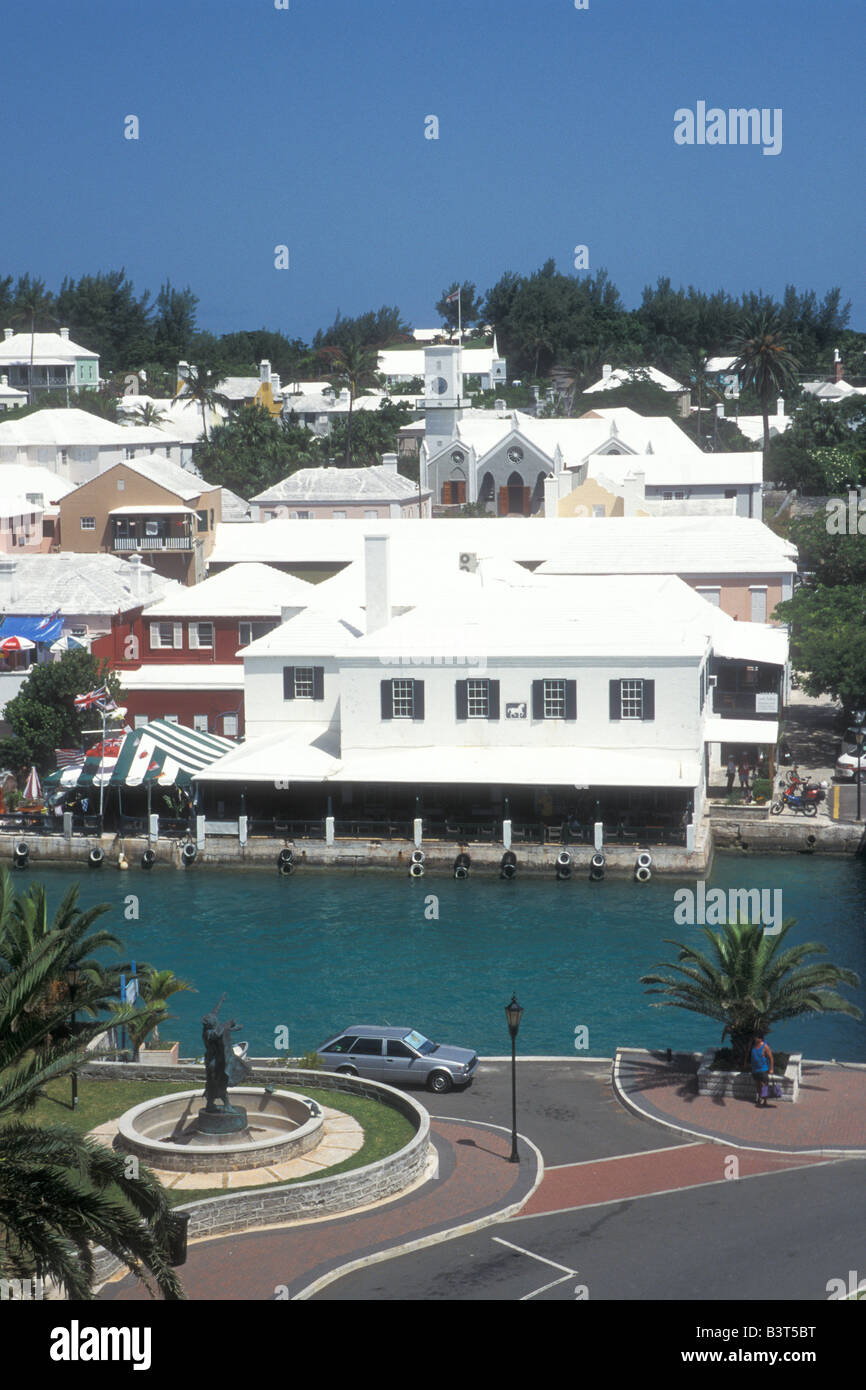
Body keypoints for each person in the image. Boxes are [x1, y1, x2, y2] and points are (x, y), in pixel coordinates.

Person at [749, 1033, 774, 1107]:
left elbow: (771, 1058)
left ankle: (765, 1100)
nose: (755, 1039)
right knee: (757, 1085)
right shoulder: (753, 1045)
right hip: (755, 1069)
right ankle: (760, 1097)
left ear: (760, 1039)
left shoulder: (765, 1046)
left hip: (763, 1069)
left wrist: (771, 1069)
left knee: (764, 1085)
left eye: (756, 1038)